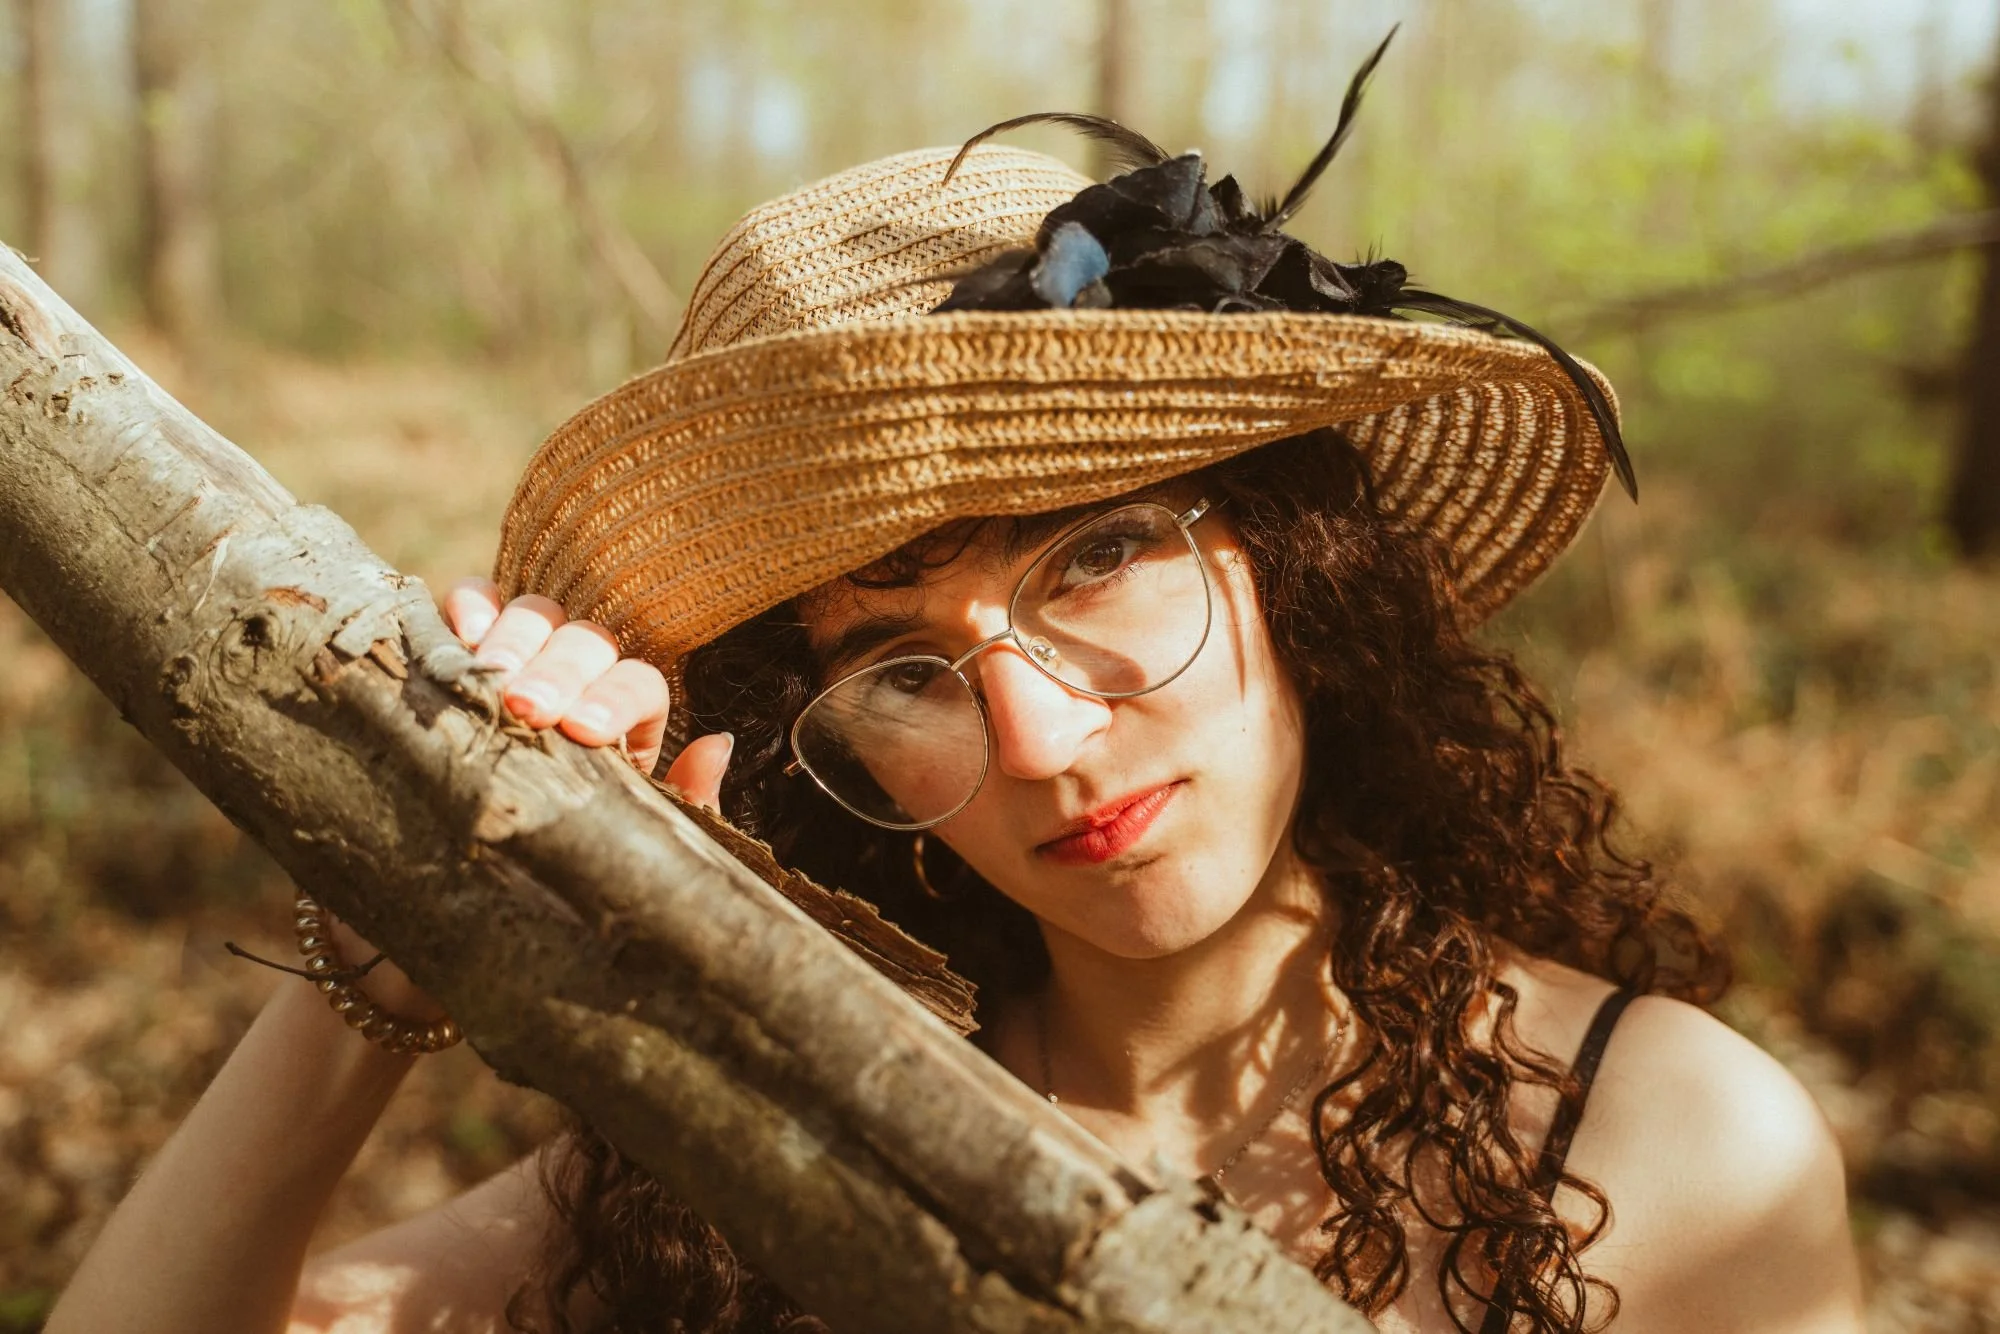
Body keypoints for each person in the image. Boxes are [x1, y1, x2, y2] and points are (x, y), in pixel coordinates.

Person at [46, 49, 1866, 1334]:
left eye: (1096, 560)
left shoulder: (1666, 1147)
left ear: (1289, 557)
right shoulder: (783, 1142)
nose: (1045, 740)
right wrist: (399, 923)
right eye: (904, 666)